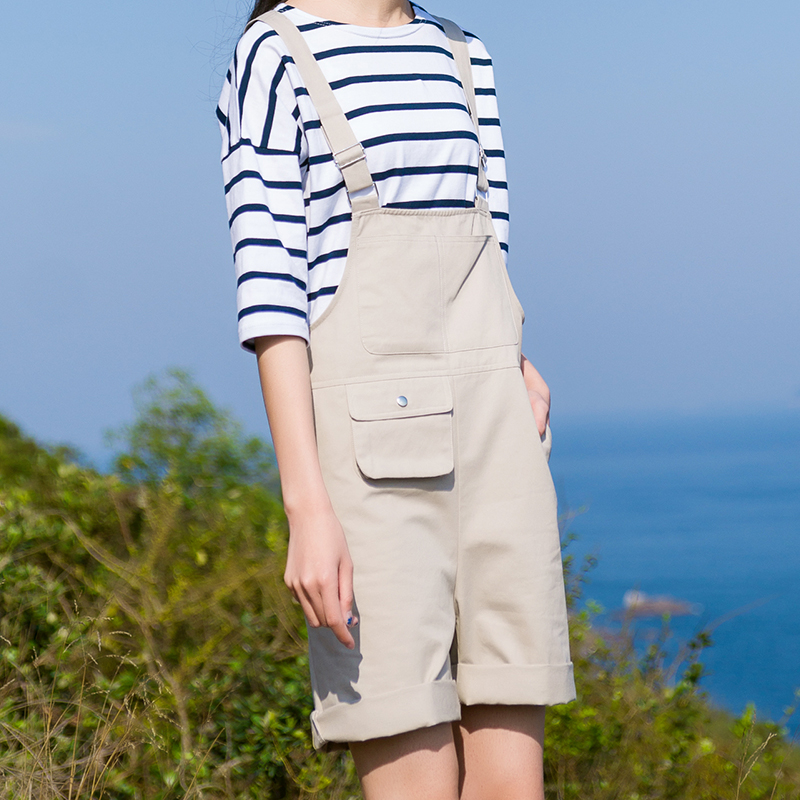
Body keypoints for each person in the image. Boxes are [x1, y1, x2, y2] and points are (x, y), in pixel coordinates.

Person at [217, 1, 576, 797]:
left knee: (515, 785)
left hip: (500, 443)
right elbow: (272, 297)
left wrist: (511, 359)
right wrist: (308, 510)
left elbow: (490, 247)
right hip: (369, 464)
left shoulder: (463, 52)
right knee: (414, 776)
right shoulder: (275, 53)